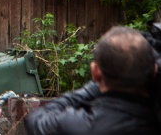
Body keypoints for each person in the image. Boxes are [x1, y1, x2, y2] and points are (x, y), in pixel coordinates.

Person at [25, 26, 159, 135]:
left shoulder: (76, 125)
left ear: (95, 72)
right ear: (154, 70)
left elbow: (36, 120)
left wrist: (96, 85)